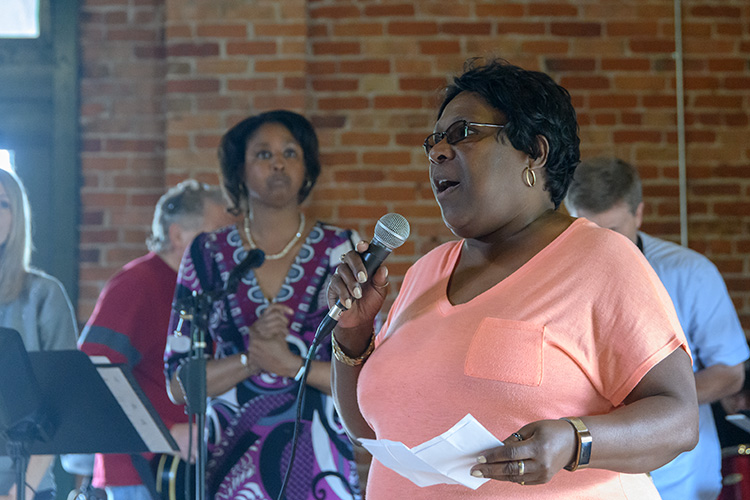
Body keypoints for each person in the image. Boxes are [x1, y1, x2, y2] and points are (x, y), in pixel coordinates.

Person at [328, 58, 700, 499]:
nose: (439, 152)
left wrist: (573, 440)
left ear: (535, 152)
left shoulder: (600, 260)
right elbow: (370, 425)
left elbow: (678, 420)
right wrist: (353, 332)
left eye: (463, 133)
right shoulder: (425, 272)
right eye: (435, 140)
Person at [164, 110, 362, 500]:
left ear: (307, 170)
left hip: (323, 470)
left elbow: (368, 376)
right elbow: (179, 384)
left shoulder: (342, 249)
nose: (278, 162)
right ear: (238, 171)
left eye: (291, 153)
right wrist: (251, 359)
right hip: (229, 471)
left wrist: (290, 365)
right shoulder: (206, 255)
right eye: (263, 154)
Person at [565, 156, 750, 500]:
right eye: (589, 229)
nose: (602, 244)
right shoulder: (554, 275)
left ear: (639, 213)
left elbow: (730, 374)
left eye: (614, 230)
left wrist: (650, 407)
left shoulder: (690, 273)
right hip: (585, 468)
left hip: (679, 474)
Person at [77, 180, 236, 500]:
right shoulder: (136, 284)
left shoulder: (198, 292)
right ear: (177, 235)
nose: (227, 246)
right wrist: (167, 432)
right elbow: (91, 373)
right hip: (140, 473)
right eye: (217, 234)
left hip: (182, 472)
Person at [0, 168, 78, 500]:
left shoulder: (44, 295)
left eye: (2, 204)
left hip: (25, 484)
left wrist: (23, 490)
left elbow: (63, 403)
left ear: (17, 217)